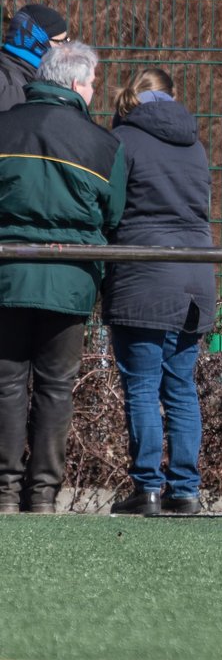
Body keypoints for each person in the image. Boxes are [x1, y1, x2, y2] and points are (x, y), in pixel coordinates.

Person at [0, 42, 125, 513]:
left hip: (6, 275)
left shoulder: (4, 127)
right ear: (76, 84)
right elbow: (113, 215)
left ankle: (4, 492)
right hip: (71, 280)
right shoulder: (104, 144)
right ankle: (44, 494)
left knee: (7, 385)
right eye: (93, 83)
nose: (94, 92)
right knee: (55, 387)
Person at [103, 69, 216, 516]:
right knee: (181, 388)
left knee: (143, 388)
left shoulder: (124, 141)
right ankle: (185, 489)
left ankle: (147, 487)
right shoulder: (196, 145)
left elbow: (111, 208)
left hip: (141, 274)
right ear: (173, 98)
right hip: (195, 275)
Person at [0, 3, 68, 111]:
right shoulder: (6, 87)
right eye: (61, 42)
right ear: (36, 42)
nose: (65, 48)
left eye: (67, 40)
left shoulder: (36, 78)